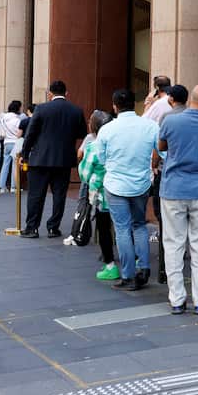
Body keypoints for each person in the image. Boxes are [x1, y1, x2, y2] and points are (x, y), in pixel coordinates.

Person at [155, 84, 198, 314]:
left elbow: (161, 146)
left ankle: (176, 299)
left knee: (173, 244)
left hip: (173, 188)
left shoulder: (170, 120)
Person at [96, 87, 160, 290]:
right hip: (141, 183)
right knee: (139, 225)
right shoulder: (150, 126)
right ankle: (144, 267)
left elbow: (101, 158)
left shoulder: (107, 129)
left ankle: (128, 274)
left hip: (115, 184)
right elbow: (161, 151)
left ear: (115, 106)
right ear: (135, 104)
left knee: (122, 229)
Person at [19, 80, 88, 238]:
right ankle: (53, 227)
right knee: (59, 195)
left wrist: (25, 154)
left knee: (36, 195)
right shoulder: (76, 110)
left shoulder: (41, 109)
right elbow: (82, 133)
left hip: (40, 158)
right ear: (66, 93)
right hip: (63, 159)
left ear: (50, 93)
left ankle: (32, 228)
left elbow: (30, 134)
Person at [79, 109, 117, 281]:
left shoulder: (93, 146)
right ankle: (137, 262)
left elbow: (85, 174)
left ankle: (110, 265)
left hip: (102, 194)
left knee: (104, 229)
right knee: (127, 228)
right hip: (124, 190)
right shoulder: (119, 142)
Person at [0, 101, 23, 192]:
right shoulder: (17, 120)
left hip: (6, 142)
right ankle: (13, 186)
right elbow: (19, 133)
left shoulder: (3, 118)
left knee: (5, 164)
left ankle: (2, 186)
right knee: (15, 165)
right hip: (15, 142)